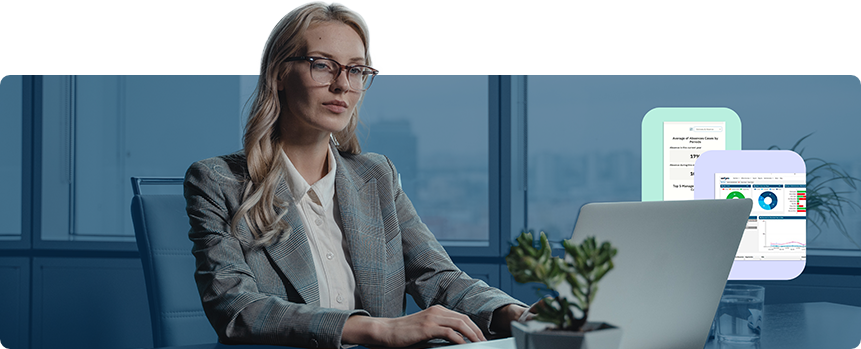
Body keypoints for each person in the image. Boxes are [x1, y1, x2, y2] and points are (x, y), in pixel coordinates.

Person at [183, 2, 530, 348]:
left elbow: (437, 277)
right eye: (323, 65)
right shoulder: (218, 182)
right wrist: (377, 329)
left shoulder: (377, 175)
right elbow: (237, 308)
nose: (342, 85)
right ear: (278, 74)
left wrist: (516, 314)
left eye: (356, 70)